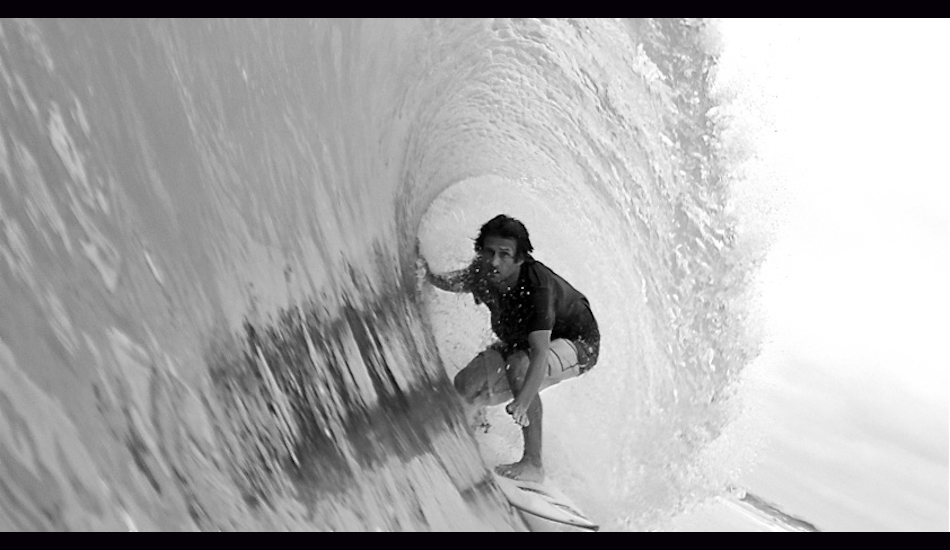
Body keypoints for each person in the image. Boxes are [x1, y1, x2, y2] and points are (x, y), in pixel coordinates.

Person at [419, 214, 600, 482]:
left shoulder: (537, 288)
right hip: (523, 345)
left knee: (519, 365)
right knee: (465, 385)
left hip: (579, 344)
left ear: (519, 258)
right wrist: (427, 275)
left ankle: (533, 464)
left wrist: (523, 401)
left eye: (504, 254)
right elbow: (457, 282)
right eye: (489, 252)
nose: (494, 261)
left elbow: (538, 353)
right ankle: (477, 427)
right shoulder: (483, 273)